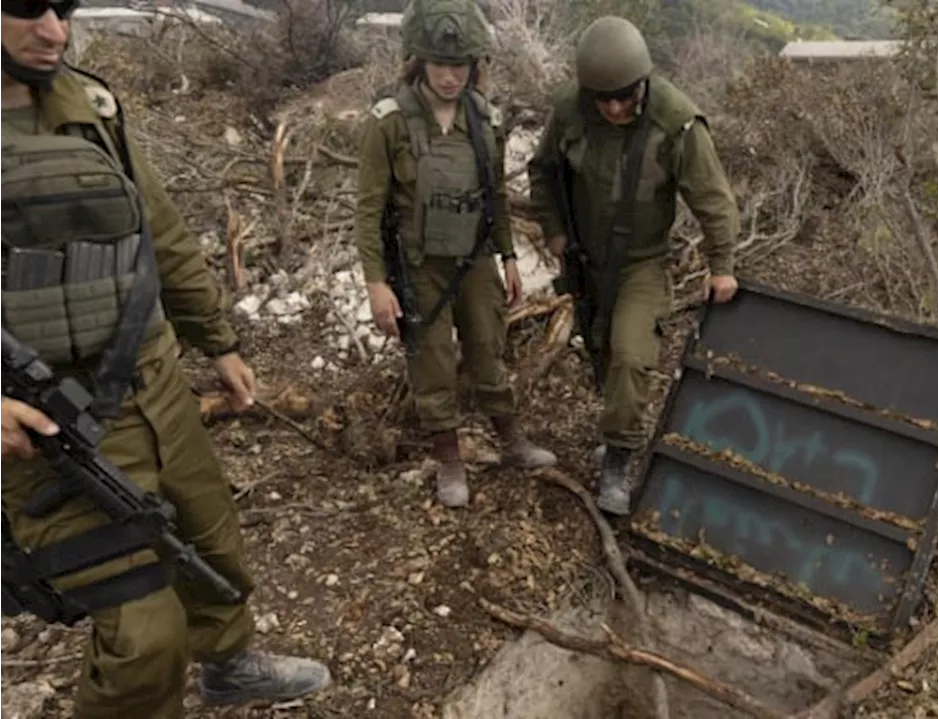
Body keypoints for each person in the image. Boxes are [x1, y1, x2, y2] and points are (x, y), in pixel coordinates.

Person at [0, 1, 332, 717]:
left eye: (63, 8)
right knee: (144, 636)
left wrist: (219, 339)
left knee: (209, 534)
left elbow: (160, 231)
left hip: (151, 380)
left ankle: (231, 661)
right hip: (50, 429)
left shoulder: (88, 105)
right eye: (24, 8)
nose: (54, 30)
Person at [527, 15, 742, 516]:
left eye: (624, 96)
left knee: (631, 354)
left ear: (642, 82)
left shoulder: (675, 121)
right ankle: (616, 428)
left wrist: (722, 264)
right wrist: (555, 231)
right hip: (586, 258)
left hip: (642, 262)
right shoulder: (570, 111)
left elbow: (713, 198)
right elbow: (542, 171)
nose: (615, 107)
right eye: (604, 99)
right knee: (601, 351)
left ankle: (619, 458)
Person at [354, 0, 557, 509]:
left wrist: (509, 256)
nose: (450, 76)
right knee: (433, 362)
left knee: (489, 347)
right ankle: (449, 457)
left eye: (461, 66)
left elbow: (497, 196)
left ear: (475, 66)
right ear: (419, 61)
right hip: (420, 263)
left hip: (475, 259)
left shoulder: (484, 120)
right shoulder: (390, 123)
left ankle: (510, 441)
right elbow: (368, 210)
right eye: (441, 65)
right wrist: (377, 284)